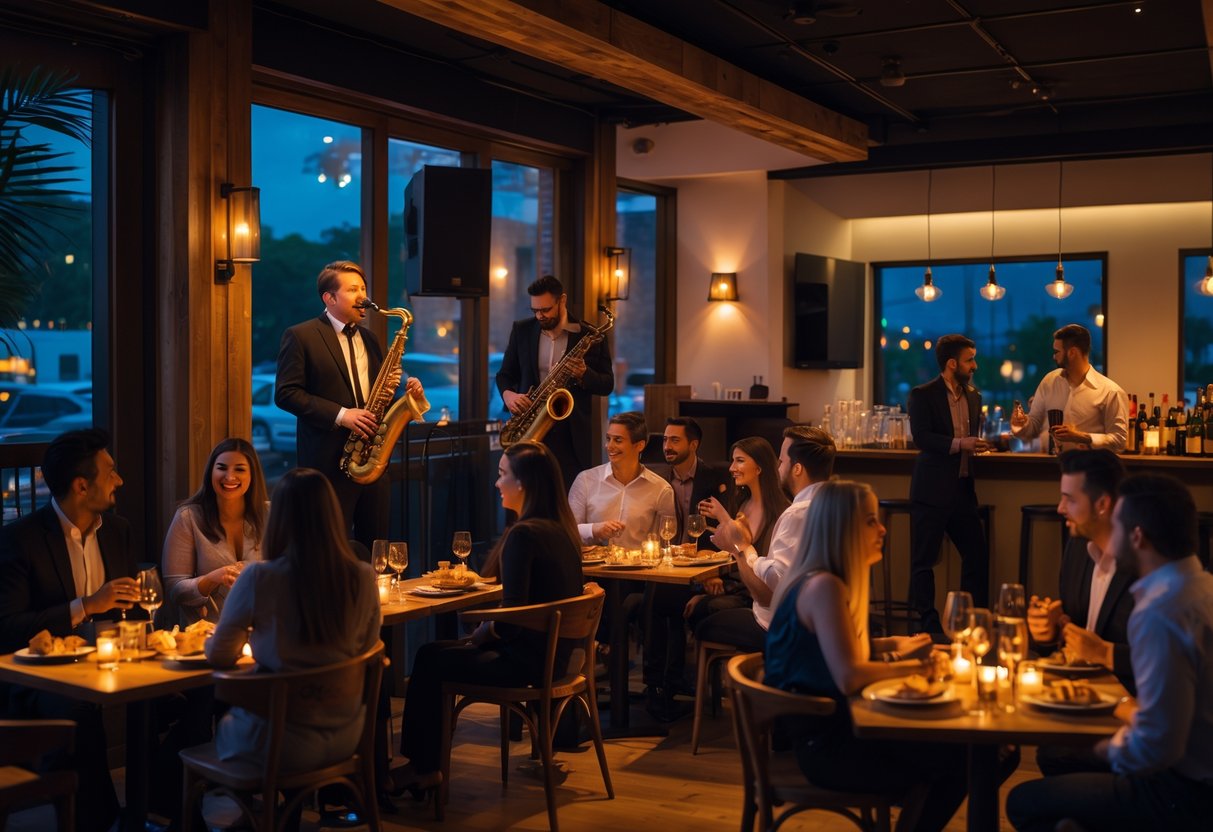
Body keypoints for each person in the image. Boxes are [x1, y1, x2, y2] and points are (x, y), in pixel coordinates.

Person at [765, 480, 1011, 832]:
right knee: (978, 755)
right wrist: (918, 666)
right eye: (870, 521)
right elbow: (848, 675)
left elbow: (825, 651)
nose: (883, 529)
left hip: (833, 732)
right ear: (841, 528)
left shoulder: (819, 580)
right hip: (828, 748)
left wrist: (895, 645)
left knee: (983, 752)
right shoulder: (824, 587)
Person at [1007, 474, 1213, 832]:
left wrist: (1105, 749)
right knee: (1065, 800)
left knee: (1022, 802)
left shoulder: (1159, 611)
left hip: (1182, 794)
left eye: (1116, 527)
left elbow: (1158, 746)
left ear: (1137, 537)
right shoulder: (1203, 588)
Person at [391, 441, 584, 795]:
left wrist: (483, 631)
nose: (497, 484)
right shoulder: (563, 531)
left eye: (502, 474)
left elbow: (510, 620)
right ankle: (423, 766)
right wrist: (487, 628)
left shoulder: (524, 534)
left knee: (429, 657)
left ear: (522, 483)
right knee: (436, 653)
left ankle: (422, 767)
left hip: (526, 664)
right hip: (558, 659)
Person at [0, 429, 140, 832]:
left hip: (113, 667)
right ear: (82, 486)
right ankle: (103, 821)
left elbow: (134, 612)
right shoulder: (21, 540)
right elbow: (7, 628)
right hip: (42, 681)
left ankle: (164, 809)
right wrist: (87, 607)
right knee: (79, 711)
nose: (120, 481)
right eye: (111, 472)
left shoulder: (118, 530)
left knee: (189, 696)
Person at [206, 467, 381, 773]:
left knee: (213, 726)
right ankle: (278, 816)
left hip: (280, 743)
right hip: (346, 734)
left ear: (279, 519)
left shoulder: (259, 577)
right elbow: (366, 648)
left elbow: (219, 655)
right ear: (332, 515)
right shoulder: (364, 577)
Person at [275, 260, 425, 553]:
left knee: (376, 546)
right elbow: (286, 393)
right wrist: (342, 416)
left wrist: (405, 391)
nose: (364, 297)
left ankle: (377, 598)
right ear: (329, 298)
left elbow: (376, 398)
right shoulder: (301, 335)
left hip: (372, 461)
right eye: (353, 289)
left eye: (364, 288)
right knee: (328, 548)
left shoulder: (369, 338)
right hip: (326, 465)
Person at [694, 425, 836, 654]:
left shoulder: (796, 513)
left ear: (797, 468)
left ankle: (735, 682)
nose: (777, 467)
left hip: (782, 627)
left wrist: (740, 548)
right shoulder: (835, 506)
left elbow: (768, 594)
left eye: (781, 461)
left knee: (702, 620)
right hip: (821, 623)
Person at [641, 417, 733, 721]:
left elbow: (726, 531)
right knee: (657, 597)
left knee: (663, 601)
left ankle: (665, 684)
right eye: (665, 440)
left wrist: (713, 572)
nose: (667, 446)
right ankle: (658, 685)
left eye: (675, 441)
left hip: (704, 568)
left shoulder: (716, 477)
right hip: (669, 567)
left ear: (693, 445)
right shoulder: (657, 479)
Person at [496, 274, 614, 489]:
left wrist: (584, 374)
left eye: (545, 310)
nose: (540, 316)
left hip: (572, 437)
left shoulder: (588, 335)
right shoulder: (521, 330)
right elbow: (504, 375)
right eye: (535, 310)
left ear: (562, 300)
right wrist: (509, 396)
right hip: (530, 428)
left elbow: (607, 384)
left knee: (569, 502)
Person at [908, 333, 991, 631]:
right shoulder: (923, 394)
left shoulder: (974, 396)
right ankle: (928, 627)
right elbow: (922, 437)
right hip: (931, 490)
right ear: (952, 363)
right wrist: (961, 443)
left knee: (977, 556)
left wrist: (986, 443)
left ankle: (973, 625)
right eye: (970, 360)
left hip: (963, 489)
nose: (975, 366)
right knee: (924, 561)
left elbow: (969, 441)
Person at [686, 436, 790, 632]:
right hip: (735, 585)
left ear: (759, 468)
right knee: (682, 599)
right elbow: (732, 551)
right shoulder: (741, 502)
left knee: (701, 609)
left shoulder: (781, 512)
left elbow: (749, 554)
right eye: (732, 460)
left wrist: (724, 518)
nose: (731, 468)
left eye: (740, 461)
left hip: (758, 597)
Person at [162, 437, 268, 626]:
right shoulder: (188, 517)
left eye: (239, 469)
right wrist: (213, 578)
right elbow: (175, 590)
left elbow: (290, 570)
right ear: (210, 472)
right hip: (207, 636)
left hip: (264, 630)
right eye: (221, 468)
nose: (229, 476)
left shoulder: (270, 513)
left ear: (252, 475)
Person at [1011, 323, 1129, 452]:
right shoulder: (1049, 382)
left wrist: (1081, 437)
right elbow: (1033, 426)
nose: (1053, 356)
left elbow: (1120, 440)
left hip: (1089, 468)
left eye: (1057, 352)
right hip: (1048, 467)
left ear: (1072, 352)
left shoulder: (1111, 391)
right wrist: (1021, 424)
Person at [567, 411, 675, 550]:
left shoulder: (660, 489)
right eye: (608, 439)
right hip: (592, 569)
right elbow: (567, 530)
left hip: (640, 569)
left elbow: (666, 540)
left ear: (640, 445)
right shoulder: (586, 480)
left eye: (618, 440)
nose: (609, 446)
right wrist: (594, 529)